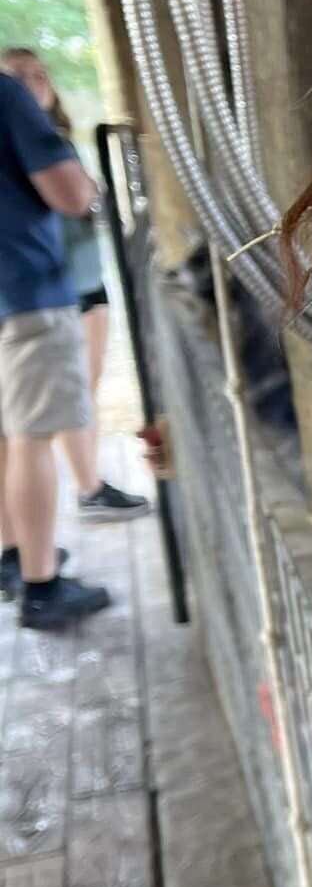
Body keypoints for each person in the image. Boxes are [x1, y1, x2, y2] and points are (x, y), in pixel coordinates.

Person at [2, 48, 149, 521]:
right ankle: (48, 565)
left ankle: (20, 553)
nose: (33, 84)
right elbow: (73, 197)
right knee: (39, 423)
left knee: (66, 397)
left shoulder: (52, 136)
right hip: (39, 289)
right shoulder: (21, 125)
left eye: (40, 74)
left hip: (70, 282)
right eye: (21, 76)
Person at [0, 67, 113, 627]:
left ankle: (13, 557)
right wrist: (90, 187)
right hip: (24, 289)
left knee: (6, 434)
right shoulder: (6, 95)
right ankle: (42, 587)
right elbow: (68, 193)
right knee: (32, 439)